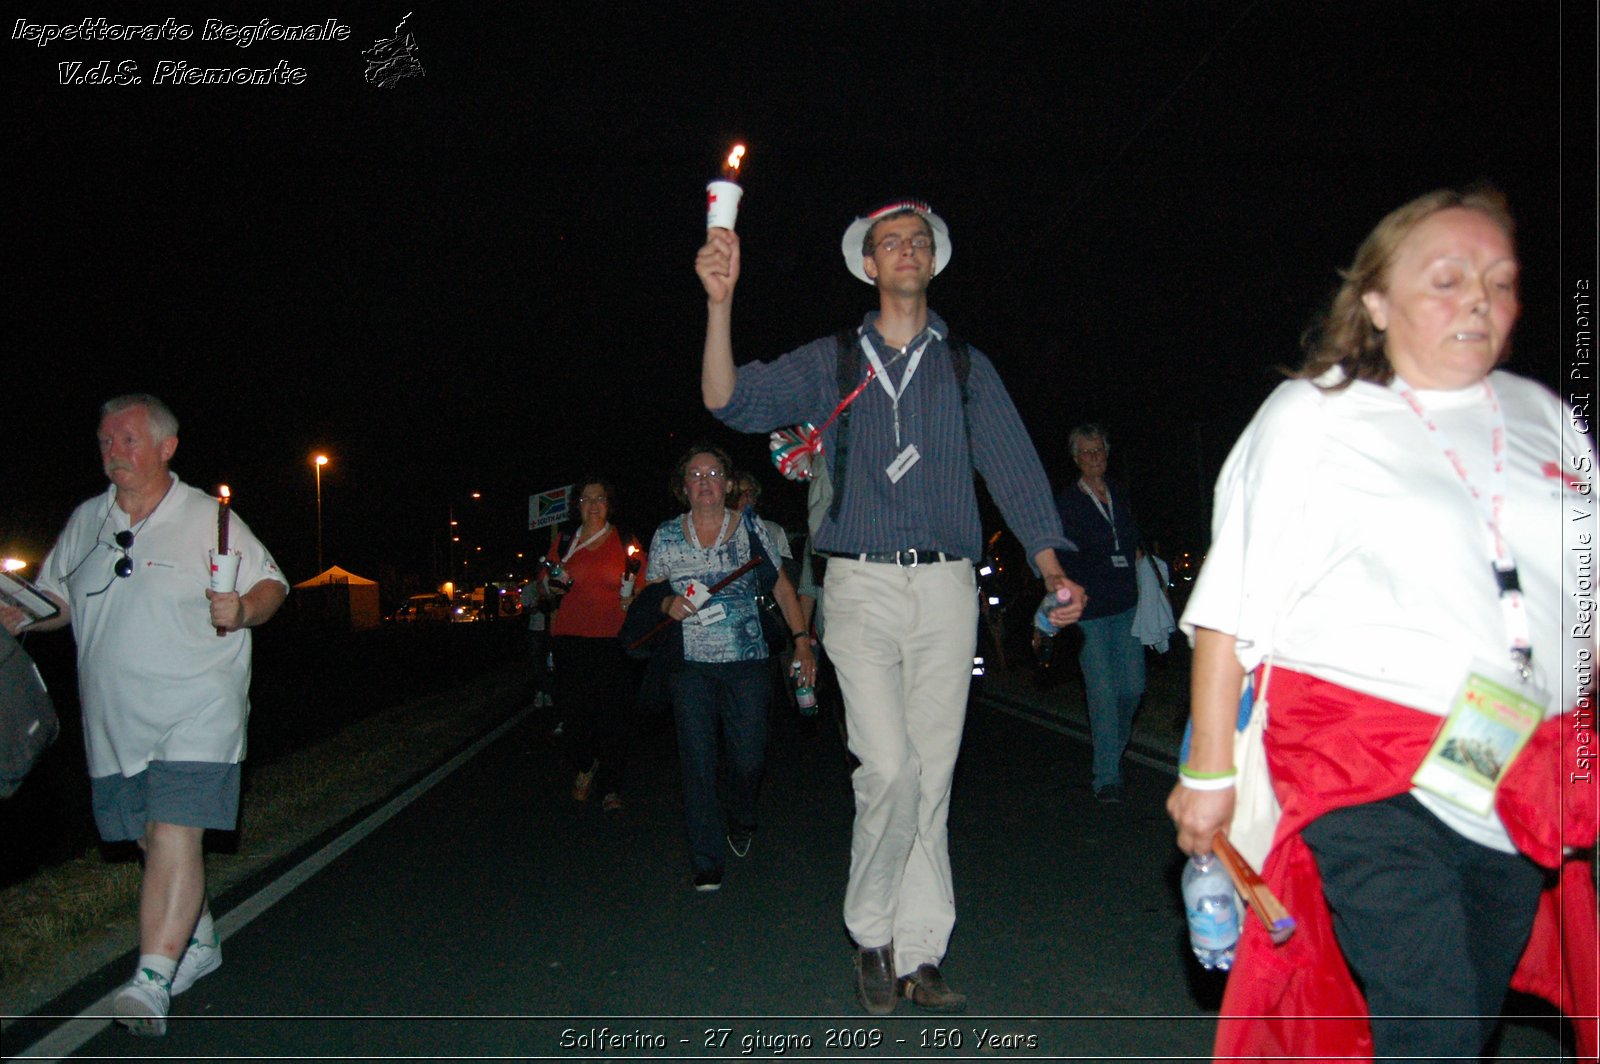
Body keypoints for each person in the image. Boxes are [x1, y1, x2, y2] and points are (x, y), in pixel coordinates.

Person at [1167, 187, 1597, 1062]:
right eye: (1447, 278)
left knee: (1462, 1016)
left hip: (1514, 764)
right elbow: (1229, 610)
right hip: (1366, 763)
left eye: (1501, 280)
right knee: (1430, 1014)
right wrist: (1208, 773)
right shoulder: (1316, 414)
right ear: (1373, 302)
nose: (1479, 297)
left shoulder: (1546, 416)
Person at [695, 199, 1084, 1014]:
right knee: (889, 767)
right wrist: (720, 303)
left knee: (933, 775)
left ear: (933, 260)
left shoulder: (967, 365)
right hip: (861, 585)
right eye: (887, 243)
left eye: (916, 241)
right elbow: (730, 401)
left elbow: (1014, 469)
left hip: (947, 584)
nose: (904, 251)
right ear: (868, 266)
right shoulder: (834, 359)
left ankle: (922, 951)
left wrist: (1053, 571)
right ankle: (870, 930)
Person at [0, 394, 288, 1038]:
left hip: (198, 701)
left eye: (127, 439)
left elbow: (272, 585)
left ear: (166, 447)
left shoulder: (208, 518)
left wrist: (241, 610)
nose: (112, 452)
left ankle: (150, 982)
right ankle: (199, 943)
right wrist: (25, 611)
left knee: (173, 830)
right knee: (149, 839)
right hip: (114, 718)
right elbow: (60, 598)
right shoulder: (87, 520)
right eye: (104, 441)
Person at [644, 444, 813, 893]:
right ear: (684, 487)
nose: (704, 481)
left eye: (713, 472)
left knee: (749, 756)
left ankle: (741, 814)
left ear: (728, 482)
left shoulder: (749, 527)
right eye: (695, 475)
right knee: (696, 761)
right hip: (689, 666)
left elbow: (780, 585)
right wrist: (665, 602)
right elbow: (646, 594)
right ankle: (706, 857)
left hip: (748, 661)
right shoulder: (665, 534)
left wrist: (802, 643)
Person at [1053, 424, 1147, 803]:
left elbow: (1130, 536)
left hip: (1126, 607)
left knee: (1134, 688)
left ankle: (1111, 750)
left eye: (1100, 451)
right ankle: (1106, 775)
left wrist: (1137, 552)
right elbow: (1061, 554)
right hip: (1090, 611)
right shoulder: (1068, 503)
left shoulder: (1119, 495)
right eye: (1088, 452)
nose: (1096, 458)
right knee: (1104, 694)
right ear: (1076, 459)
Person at [543, 479, 646, 811]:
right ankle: (586, 766)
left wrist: (634, 599)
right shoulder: (564, 541)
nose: (593, 505)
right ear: (578, 505)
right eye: (587, 499)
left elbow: (647, 584)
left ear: (609, 504)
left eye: (600, 498)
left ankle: (611, 787)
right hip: (570, 640)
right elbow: (543, 587)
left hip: (613, 643)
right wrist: (550, 589)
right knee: (574, 718)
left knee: (612, 718)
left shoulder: (625, 541)